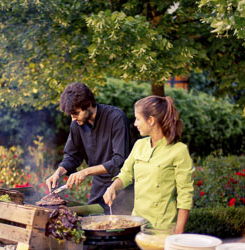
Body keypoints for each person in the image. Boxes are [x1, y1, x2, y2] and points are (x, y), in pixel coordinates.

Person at [103, 95, 194, 233]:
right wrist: (113, 187)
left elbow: (185, 196)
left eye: (138, 119)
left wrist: (178, 233)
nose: (135, 123)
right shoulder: (139, 145)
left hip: (162, 228)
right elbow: (126, 174)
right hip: (137, 225)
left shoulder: (179, 151)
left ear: (150, 120)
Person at [45, 82, 133, 212]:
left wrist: (86, 172)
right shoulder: (77, 123)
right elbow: (72, 155)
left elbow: (119, 161)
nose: (73, 118)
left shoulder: (116, 118)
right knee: (90, 224)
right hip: (98, 186)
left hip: (121, 187)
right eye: (70, 114)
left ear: (89, 105)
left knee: (119, 228)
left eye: (75, 113)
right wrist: (58, 173)